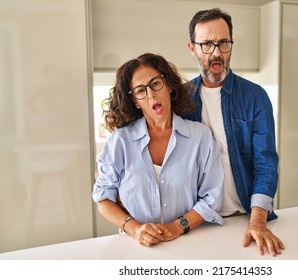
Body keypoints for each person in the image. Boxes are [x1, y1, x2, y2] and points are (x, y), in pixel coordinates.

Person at [92, 53, 224, 247]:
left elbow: (212, 198)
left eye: (155, 84)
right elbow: (103, 198)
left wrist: (177, 227)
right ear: (135, 101)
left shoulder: (200, 137)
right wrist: (135, 229)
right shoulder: (120, 140)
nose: (151, 95)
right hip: (136, 247)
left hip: (190, 241)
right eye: (140, 91)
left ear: (168, 86)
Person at [185, 8, 285, 256]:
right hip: (199, 221)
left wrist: (258, 221)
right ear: (192, 48)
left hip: (247, 218)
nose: (217, 53)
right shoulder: (181, 100)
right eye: (207, 44)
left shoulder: (255, 97)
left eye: (223, 43)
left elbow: (266, 162)